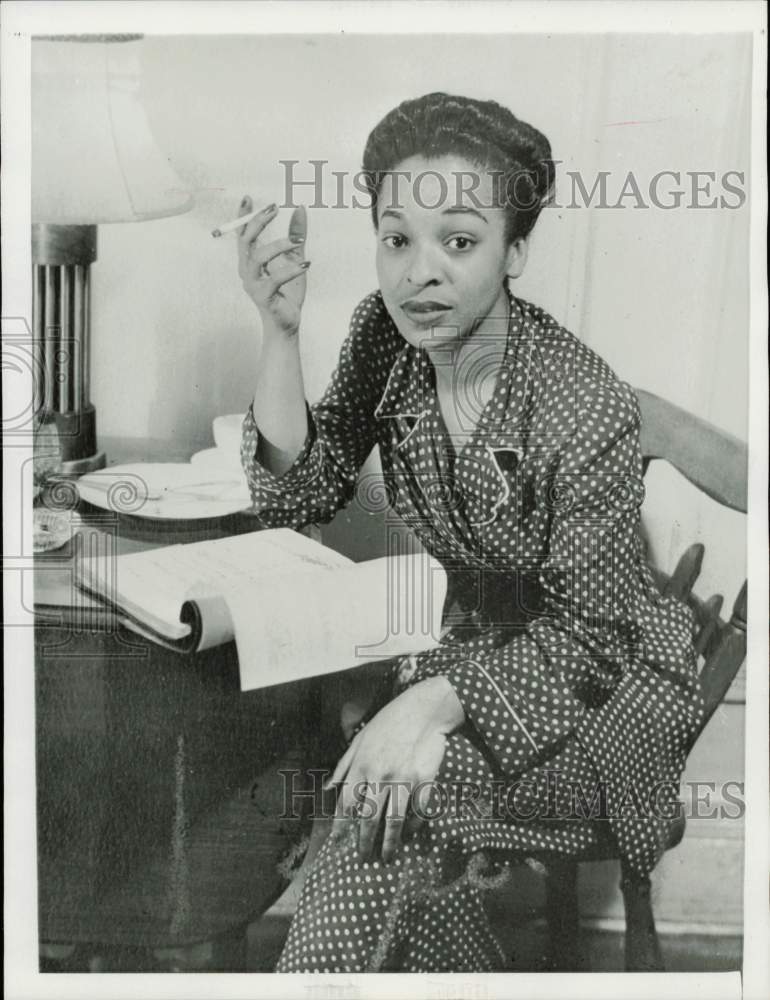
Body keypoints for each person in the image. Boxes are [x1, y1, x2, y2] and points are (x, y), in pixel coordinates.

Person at [236, 92, 703, 972]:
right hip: (470, 640)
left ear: (514, 250)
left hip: (604, 678)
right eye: (396, 238)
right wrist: (279, 331)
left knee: (394, 796)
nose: (422, 273)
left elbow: (592, 637)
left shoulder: (581, 401)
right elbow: (303, 490)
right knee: (346, 769)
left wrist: (427, 705)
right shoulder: (386, 334)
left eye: (459, 240)